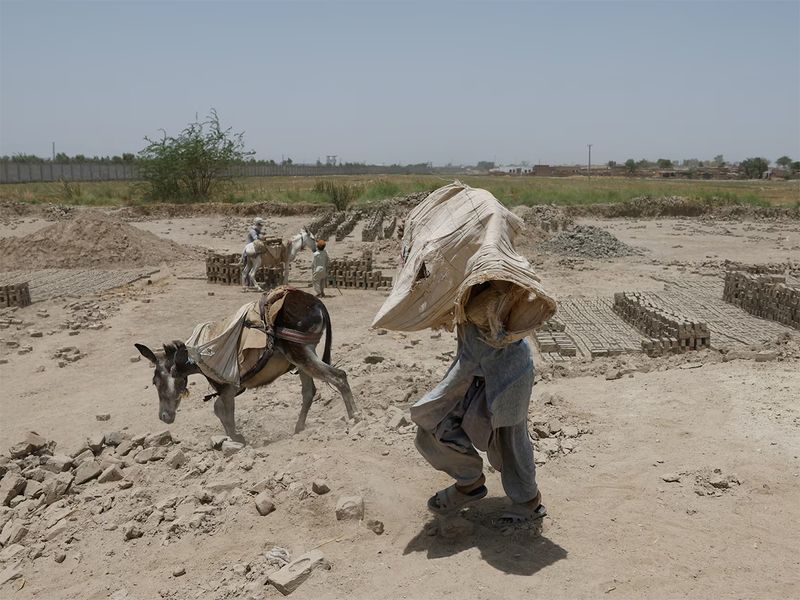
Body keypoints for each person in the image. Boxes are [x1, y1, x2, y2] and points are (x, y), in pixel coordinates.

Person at [411, 281, 545, 525]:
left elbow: (464, 368)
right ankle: (469, 482)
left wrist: (430, 405)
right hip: (482, 378)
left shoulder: (486, 305)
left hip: (509, 379)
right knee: (439, 425)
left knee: (510, 441)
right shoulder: (469, 297)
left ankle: (528, 502)